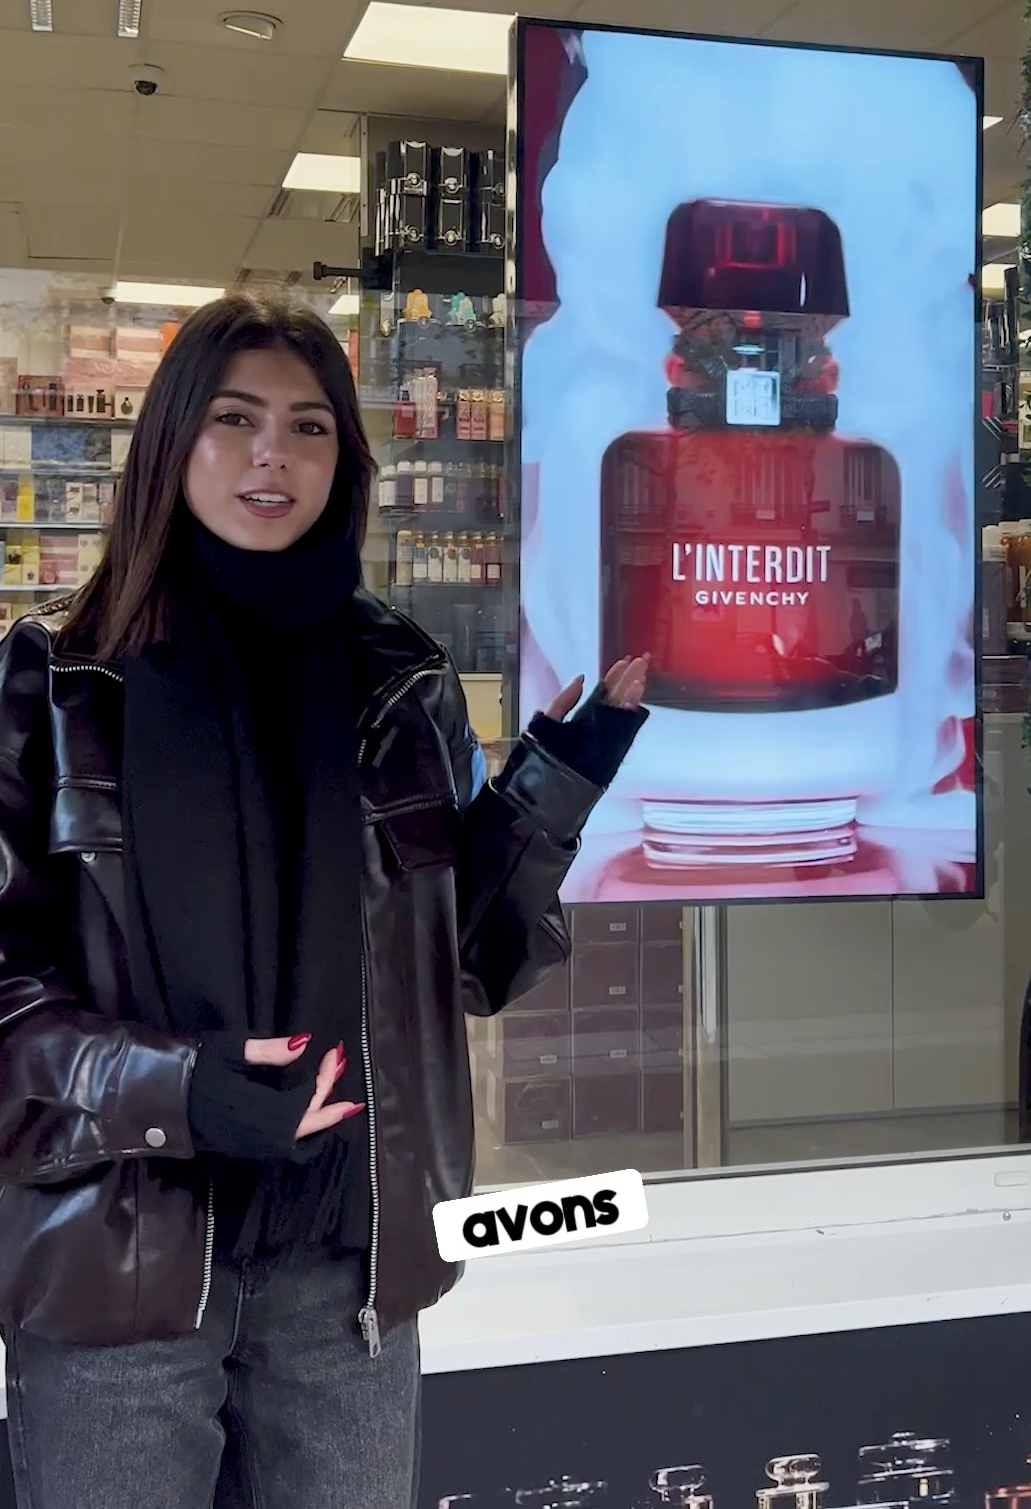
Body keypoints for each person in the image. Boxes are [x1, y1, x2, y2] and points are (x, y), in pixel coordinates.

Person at [0, 292, 648, 1509]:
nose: (270, 456)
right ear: (172, 442)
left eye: (307, 428)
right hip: (119, 1266)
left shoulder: (397, 677)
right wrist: (176, 1087)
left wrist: (559, 782)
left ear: (343, 460)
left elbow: (465, 964)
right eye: (234, 419)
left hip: (342, 1273)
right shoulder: (52, 682)